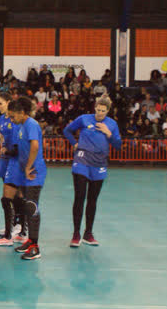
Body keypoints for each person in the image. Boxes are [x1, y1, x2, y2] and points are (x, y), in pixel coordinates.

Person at [63, 96, 121, 247]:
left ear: (108, 111)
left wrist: (109, 133)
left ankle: (88, 233)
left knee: (92, 200)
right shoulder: (84, 119)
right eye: (98, 109)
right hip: (82, 161)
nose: (100, 113)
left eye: (103, 111)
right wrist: (74, 143)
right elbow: (67, 130)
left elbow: (118, 145)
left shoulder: (112, 124)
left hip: (99, 164)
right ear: (95, 107)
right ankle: (76, 234)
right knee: (79, 197)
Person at [7, 96, 47, 260]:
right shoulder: (22, 125)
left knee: (31, 206)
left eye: (12, 116)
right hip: (26, 173)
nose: (11, 119)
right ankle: (30, 240)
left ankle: (35, 246)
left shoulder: (31, 124)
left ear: (22, 112)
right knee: (26, 205)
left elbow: (35, 146)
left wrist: (29, 166)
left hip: (34, 173)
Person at [0, 92, 23, 246]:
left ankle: (16, 229)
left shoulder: (15, 120)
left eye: (1, 103)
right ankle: (16, 227)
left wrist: (7, 151)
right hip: (5, 161)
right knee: (12, 195)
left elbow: (18, 146)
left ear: (9, 102)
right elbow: (2, 137)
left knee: (12, 196)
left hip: (14, 161)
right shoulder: (1, 119)